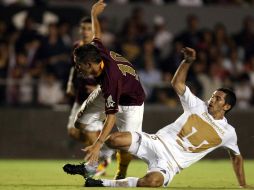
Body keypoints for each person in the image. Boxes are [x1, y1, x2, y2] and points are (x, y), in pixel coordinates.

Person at [82, 47, 252, 188]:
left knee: (151, 182)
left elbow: (236, 157)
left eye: (217, 98)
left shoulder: (228, 133)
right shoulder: (197, 105)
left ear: (226, 107)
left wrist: (242, 185)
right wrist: (187, 62)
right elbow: (177, 84)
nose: (212, 99)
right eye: (213, 96)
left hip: (171, 164)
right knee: (114, 139)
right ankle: (90, 168)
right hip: (155, 142)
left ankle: (103, 184)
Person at [63, 0, 145, 180]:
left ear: (90, 64)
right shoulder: (97, 50)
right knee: (79, 123)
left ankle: (117, 171)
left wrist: (98, 143)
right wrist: (94, 14)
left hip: (132, 102)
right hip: (108, 92)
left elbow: (112, 117)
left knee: (124, 144)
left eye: (79, 66)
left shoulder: (110, 79)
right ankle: (98, 154)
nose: (77, 69)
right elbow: (97, 34)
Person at [66, 17, 110, 175]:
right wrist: (70, 83)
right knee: (73, 131)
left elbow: (107, 72)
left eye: (88, 28)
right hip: (79, 96)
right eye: (82, 28)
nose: (84, 31)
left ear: (94, 31)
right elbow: (73, 67)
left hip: (93, 100)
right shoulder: (77, 46)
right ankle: (103, 152)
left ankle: (99, 161)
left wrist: (99, 89)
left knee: (90, 131)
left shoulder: (97, 50)